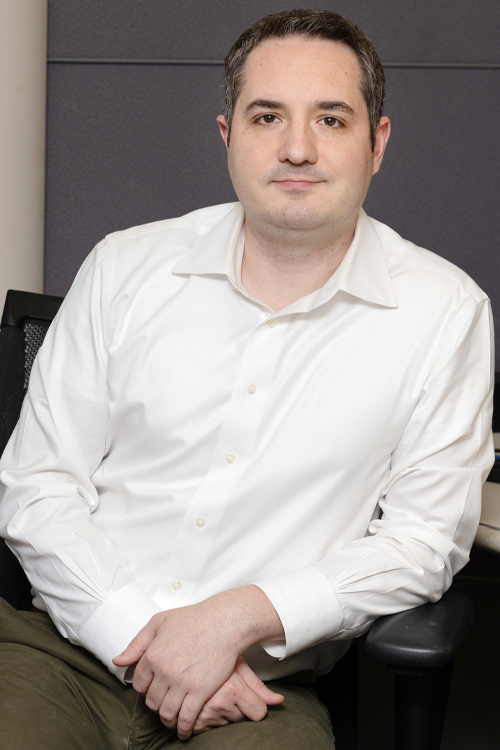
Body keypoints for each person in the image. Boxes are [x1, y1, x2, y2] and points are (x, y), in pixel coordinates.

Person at [0, 8, 494, 749]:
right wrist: (145, 639)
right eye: (268, 116)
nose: (298, 148)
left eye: (331, 119)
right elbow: (40, 488)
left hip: (259, 693)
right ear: (229, 135)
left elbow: (422, 543)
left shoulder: (444, 312)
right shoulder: (124, 268)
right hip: (59, 655)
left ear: (377, 143)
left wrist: (240, 615)